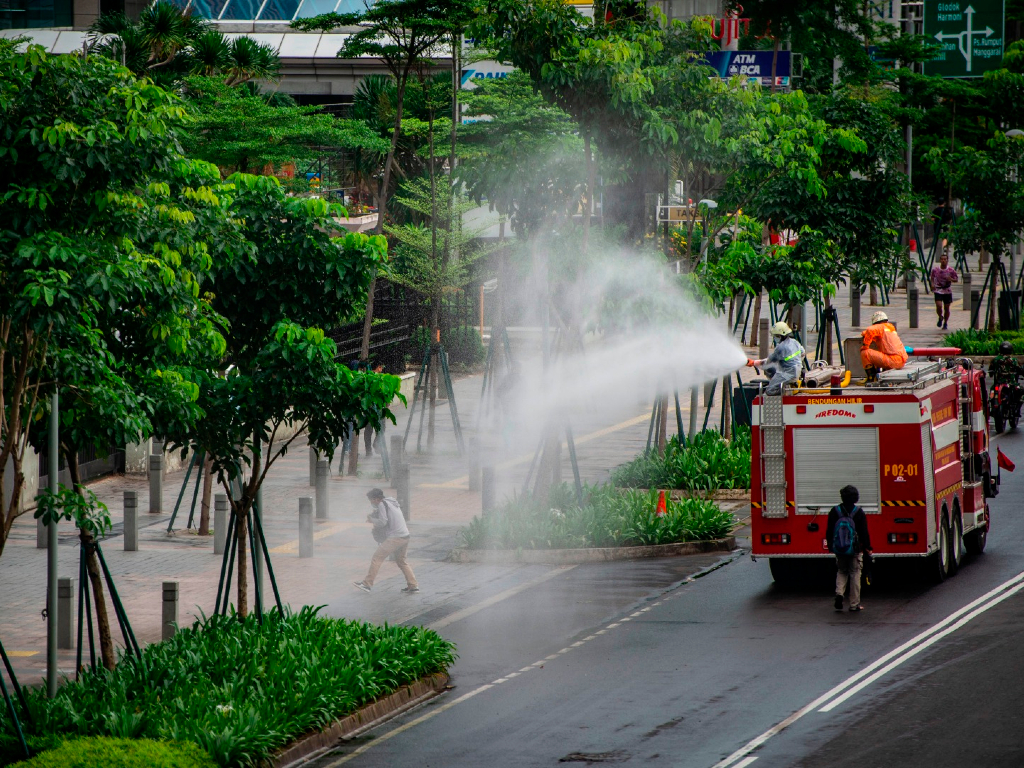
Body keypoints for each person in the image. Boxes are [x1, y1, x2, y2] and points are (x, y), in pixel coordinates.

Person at [354, 488, 419, 594]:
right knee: (402, 561)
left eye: (371, 500)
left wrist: (372, 520)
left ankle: (367, 584)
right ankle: (413, 585)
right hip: (405, 536)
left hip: (395, 537)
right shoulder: (391, 501)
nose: (371, 503)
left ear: (376, 499)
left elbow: (383, 522)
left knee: (377, 558)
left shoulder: (382, 504)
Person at [826, 485, 872, 612]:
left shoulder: (835, 511)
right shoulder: (858, 512)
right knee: (855, 573)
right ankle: (854, 604)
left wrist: (831, 545)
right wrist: (868, 547)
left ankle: (839, 593)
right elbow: (863, 532)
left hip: (840, 548)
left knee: (841, 571)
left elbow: (829, 530)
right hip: (854, 549)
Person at [746, 321, 804, 395]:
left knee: (770, 391)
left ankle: (786, 391)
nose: (774, 338)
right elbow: (803, 353)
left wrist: (753, 363)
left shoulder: (781, 348)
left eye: (776, 336)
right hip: (797, 371)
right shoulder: (794, 342)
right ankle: (790, 386)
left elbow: (768, 362)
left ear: (781, 335)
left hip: (787, 373)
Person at [860, 311, 908, 377]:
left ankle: (871, 378)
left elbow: (870, 330)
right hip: (901, 361)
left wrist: (865, 346)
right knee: (879, 353)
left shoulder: (880, 327)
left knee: (865, 353)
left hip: (892, 360)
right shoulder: (890, 328)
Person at [930, 254, 959, 330]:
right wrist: (932, 285)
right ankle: (940, 317)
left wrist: (951, 279)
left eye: (945, 259)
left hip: (947, 291)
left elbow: (956, 279)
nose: (943, 261)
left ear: (947, 260)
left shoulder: (951, 270)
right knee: (939, 305)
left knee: (947, 307)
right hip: (938, 290)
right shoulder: (935, 269)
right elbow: (932, 278)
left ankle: (945, 323)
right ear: (940, 260)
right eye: (942, 259)